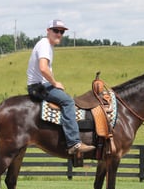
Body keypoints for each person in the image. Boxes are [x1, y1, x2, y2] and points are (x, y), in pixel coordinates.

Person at [27, 19, 96, 155]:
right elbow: (43, 68)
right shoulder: (45, 45)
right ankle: (74, 143)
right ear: (48, 31)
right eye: (56, 31)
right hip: (39, 86)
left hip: (39, 85)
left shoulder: (46, 45)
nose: (59, 34)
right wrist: (54, 83)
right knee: (68, 101)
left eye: (62, 32)